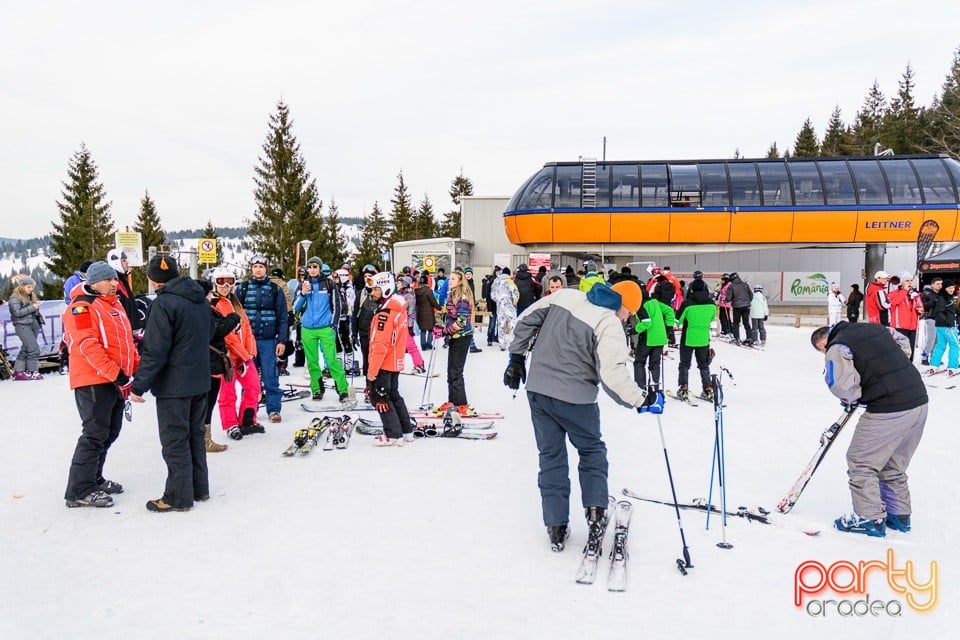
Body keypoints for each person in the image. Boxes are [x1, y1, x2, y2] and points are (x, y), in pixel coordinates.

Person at [503, 280, 649, 552]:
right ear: (624, 306)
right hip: (576, 401)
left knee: (550, 456)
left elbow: (524, 320)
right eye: (629, 313)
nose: (628, 319)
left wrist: (516, 359)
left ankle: (555, 526)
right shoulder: (609, 323)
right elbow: (612, 374)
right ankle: (595, 513)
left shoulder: (565, 297)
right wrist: (641, 399)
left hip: (538, 391)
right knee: (592, 451)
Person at [810, 322, 927, 537]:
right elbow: (904, 343)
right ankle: (898, 514)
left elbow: (840, 384)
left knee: (861, 461)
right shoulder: (875, 328)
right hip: (918, 401)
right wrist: (887, 370)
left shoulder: (837, 346)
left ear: (823, 343)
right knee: (892, 463)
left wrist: (855, 395)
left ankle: (869, 517)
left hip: (888, 407)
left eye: (822, 351)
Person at [130, 255, 214, 513]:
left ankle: (178, 496)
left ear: (153, 279)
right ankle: (199, 489)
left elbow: (155, 350)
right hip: (200, 380)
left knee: (175, 440)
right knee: (195, 437)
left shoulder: (164, 304)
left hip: (174, 385)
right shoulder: (199, 298)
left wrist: (138, 385)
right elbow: (211, 332)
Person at [61, 261, 139, 508]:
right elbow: (87, 345)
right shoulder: (83, 307)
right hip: (94, 379)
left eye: (115, 280)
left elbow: (126, 344)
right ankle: (79, 489)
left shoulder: (114, 306)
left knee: (110, 431)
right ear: (93, 282)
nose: (114, 284)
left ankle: (93, 477)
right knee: (95, 433)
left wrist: (136, 369)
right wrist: (116, 375)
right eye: (109, 280)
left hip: (115, 378)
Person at [210, 267, 264, 435]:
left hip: (244, 356)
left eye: (229, 282)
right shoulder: (214, 305)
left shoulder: (235, 302)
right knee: (228, 392)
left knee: (254, 387)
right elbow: (227, 336)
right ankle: (230, 424)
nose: (225, 286)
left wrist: (250, 352)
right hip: (227, 357)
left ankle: (248, 421)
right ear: (214, 284)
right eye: (221, 282)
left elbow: (246, 327)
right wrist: (244, 355)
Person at [365, 272, 415, 446]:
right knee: (394, 395)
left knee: (381, 398)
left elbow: (380, 346)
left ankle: (393, 435)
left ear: (385, 289)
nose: (372, 293)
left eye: (376, 289)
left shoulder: (384, 314)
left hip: (384, 364)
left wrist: (372, 372)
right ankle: (406, 430)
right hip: (394, 361)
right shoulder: (396, 308)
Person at [236, 255, 288, 420]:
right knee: (248, 377)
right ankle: (249, 411)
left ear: (266, 268)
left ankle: (274, 409)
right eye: (255, 266)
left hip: (268, 340)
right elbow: (235, 315)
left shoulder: (275, 289)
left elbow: (282, 317)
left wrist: (282, 340)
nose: (258, 269)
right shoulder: (242, 289)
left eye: (261, 266)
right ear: (251, 268)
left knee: (270, 376)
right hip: (247, 342)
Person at [294, 256, 350, 404]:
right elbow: (295, 308)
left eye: (315, 267)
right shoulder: (303, 285)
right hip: (307, 329)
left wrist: (333, 325)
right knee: (312, 361)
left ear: (320, 268)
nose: (312, 270)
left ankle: (343, 390)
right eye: (310, 267)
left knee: (331, 360)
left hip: (325, 327)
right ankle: (317, 389)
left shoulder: (329, 284)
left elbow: (337, 306)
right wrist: (303, 294)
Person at [195, 278, 239, 453]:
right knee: (207, 402)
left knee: (204, 402)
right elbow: (218, 329)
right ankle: (204, 440)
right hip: (210, 362)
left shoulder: (191, 310)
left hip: (202, 362)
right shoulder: (203, 311)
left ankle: (202, 438)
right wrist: (233, 317)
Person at [434, 269, 474, 416]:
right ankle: (453, 400)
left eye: (453, 279)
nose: (449, 281)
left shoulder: (462, 297)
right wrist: (441, 325)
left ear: (460, 281)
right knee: (450, 371)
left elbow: (462, 321)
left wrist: (445, 331)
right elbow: (450, 316)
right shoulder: (452, 295)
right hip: (455, 336)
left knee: (456, 371)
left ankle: (461, 403)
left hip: (462, 337)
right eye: (449, 279)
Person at [676, 278, 717, 400]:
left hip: (688, 337)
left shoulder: (687, 303)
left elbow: (678, 321)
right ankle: (708, 389)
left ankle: (683, 388)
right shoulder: (711, 304)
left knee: (684, 364)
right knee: (704, 365)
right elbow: (711, 318)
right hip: (703, 338)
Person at [633, 284, 674, 392]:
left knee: (639, 362)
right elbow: (669, 311)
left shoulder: (640, 304)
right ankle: (654, 388)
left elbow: (646, 323)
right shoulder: (655, 302)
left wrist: (634, 330)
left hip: (648, 338)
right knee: (655, 364)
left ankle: (640, 389)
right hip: (660, 337)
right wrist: (668, 327)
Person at [6, 276, 44, 380]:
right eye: (29, 287)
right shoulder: (15, 298)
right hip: (22, 325)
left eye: (32, 287)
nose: (31, 289)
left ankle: (19, 372)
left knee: (26, 348)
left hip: (32, 324)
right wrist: (33, 307)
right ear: (22, 286)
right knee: (33, 348)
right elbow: (17, 313)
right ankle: (33, 371)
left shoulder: (30, 296)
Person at [888, 271, 923, 361]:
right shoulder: (894, 293)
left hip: (912, 326)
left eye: (911, 280)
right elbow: (895, 302)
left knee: (911, 350)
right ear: (901, 282)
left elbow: (920, 307)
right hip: (899, 326)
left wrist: (920, 310)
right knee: (901, 350)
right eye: (907, 280)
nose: (910, 282)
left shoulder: (915, 294)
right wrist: (904, 291)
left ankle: (909, 368)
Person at [354, 265, 381, 379]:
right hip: (364, 331)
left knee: (377, 359)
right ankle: (368, 387)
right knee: (366, 358)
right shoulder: (360, 294)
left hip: (378, 333)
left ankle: (379, 385)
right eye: (365, 276)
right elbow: (355, 314)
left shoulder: (381, 293)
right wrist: (354, 333)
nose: (367, 278)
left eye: (370, 276)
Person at [106, 248, 141, 331]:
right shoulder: (112, 283)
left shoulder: (122, 280)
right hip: (123, 329)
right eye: (124, 260)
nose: (127, 263)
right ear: (116, 262)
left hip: (130, 328)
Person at [397, 275, 426, 373]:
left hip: (405, 324)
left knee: (410, 345)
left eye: (399, 283)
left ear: (404, 284)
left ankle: (419, 364)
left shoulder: (408, 295)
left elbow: (411, 312)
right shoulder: (401, 294)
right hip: (399, 323)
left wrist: (410, 326)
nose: (397, 284)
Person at [928, 279, 958, 372]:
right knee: (955, 345)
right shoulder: (943, 298)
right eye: (949, 287)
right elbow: (939, 311)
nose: (951, 289)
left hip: (940, 326)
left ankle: (934, 365)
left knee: (940, 345)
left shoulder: (947, 297)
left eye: (953, 287)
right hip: (947, 326)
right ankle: (953, 366)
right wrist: (947, 321)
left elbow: (950, 310)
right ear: (945, 288)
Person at [269, 267, 294, 377]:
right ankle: (282, 365)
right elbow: (287, 299)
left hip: (268, 317)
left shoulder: (266, 282)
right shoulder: (283, 284)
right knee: (283, 339)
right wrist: (290, 313)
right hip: (281, 316)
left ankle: (269, 365)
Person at [491, 267, 519, 351]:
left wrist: (499, 301)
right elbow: (515, 293)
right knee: (512, 324)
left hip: (499, 306)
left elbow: (492, 295)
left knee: (501, 324)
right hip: (509, 305)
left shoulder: (496, 281)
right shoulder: (510, 281)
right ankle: (511, 343)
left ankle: (502, 344)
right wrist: (514, 302)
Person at [414, 273, 442, 352]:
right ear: (426, 282)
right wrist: (439, 308)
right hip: (429, 312)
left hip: (420, 312)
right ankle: (429, 344)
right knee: (430, 329)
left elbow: (415, 302)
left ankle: (423, 345)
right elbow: (433, 301)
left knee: (422, 330)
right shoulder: (428, 291)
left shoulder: (416, 291)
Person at [724, 272, 753, 345]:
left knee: (736, 323)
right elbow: (751, 295)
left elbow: (729, 298)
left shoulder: (731, 286)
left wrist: (725, 300)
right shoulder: (745, 285)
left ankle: (737, 338)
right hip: (746, 306)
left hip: (737, 307)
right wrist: (747, 301)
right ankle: (749, 338)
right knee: (746, 323)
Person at [919, 278, 942, 366]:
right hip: (930, 318)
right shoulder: (926, 293)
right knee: (930, 339)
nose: (940, 286)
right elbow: (923, 305)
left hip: (940, 319)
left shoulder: (941, 294)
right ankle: (924, 357)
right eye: (937, 284)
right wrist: (934, 301)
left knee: (938, 340)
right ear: (932, 285)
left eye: (940, 284)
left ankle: (934, 357)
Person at [463, 267, 482, 353]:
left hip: (470, 307)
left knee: (468, 327)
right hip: (465, 308)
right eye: (467, 274)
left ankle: (471, 345)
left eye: (470, 274)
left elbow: (472, 296)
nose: (468, 275)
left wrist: (474, 304)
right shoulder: (464, 284)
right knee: (468, 327)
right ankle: (471, 345)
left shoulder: (471, 283)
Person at [482, 267, 500, 347]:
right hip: (494, 307)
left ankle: (494, 337)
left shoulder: (501, 283)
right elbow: (489, 297)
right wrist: (489, 309)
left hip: (498, 307)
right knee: (492, 324)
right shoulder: (491, 283)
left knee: (497, 324)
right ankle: (490, 339)